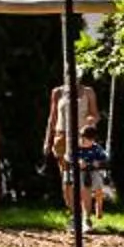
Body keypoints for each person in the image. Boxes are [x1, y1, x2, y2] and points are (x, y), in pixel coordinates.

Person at [45, 72, 100, 205]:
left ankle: (85, 214)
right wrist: (48, 140)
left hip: (81, 137)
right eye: (69, 74)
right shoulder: (58, 92)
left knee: (83, 175)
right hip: (62, 136)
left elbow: (95, 114)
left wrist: (91, 120)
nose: (72, 78)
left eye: (75, 75)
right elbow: (52, 118)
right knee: (67, 177)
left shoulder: (88, 92)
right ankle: (72, 212)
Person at [76, 118, 113, 225]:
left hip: (94, 171)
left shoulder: (96, 148)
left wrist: (98, 163)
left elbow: (105, 158)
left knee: (98, 191)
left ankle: (99, 208)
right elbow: (71, 157)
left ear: (92, 140)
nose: (82, 141)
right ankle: (87, 215)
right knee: (85, 192)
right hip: (82, 172)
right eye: (81, 138)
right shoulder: (77, 148)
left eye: (85, 139)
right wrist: (78, 162)